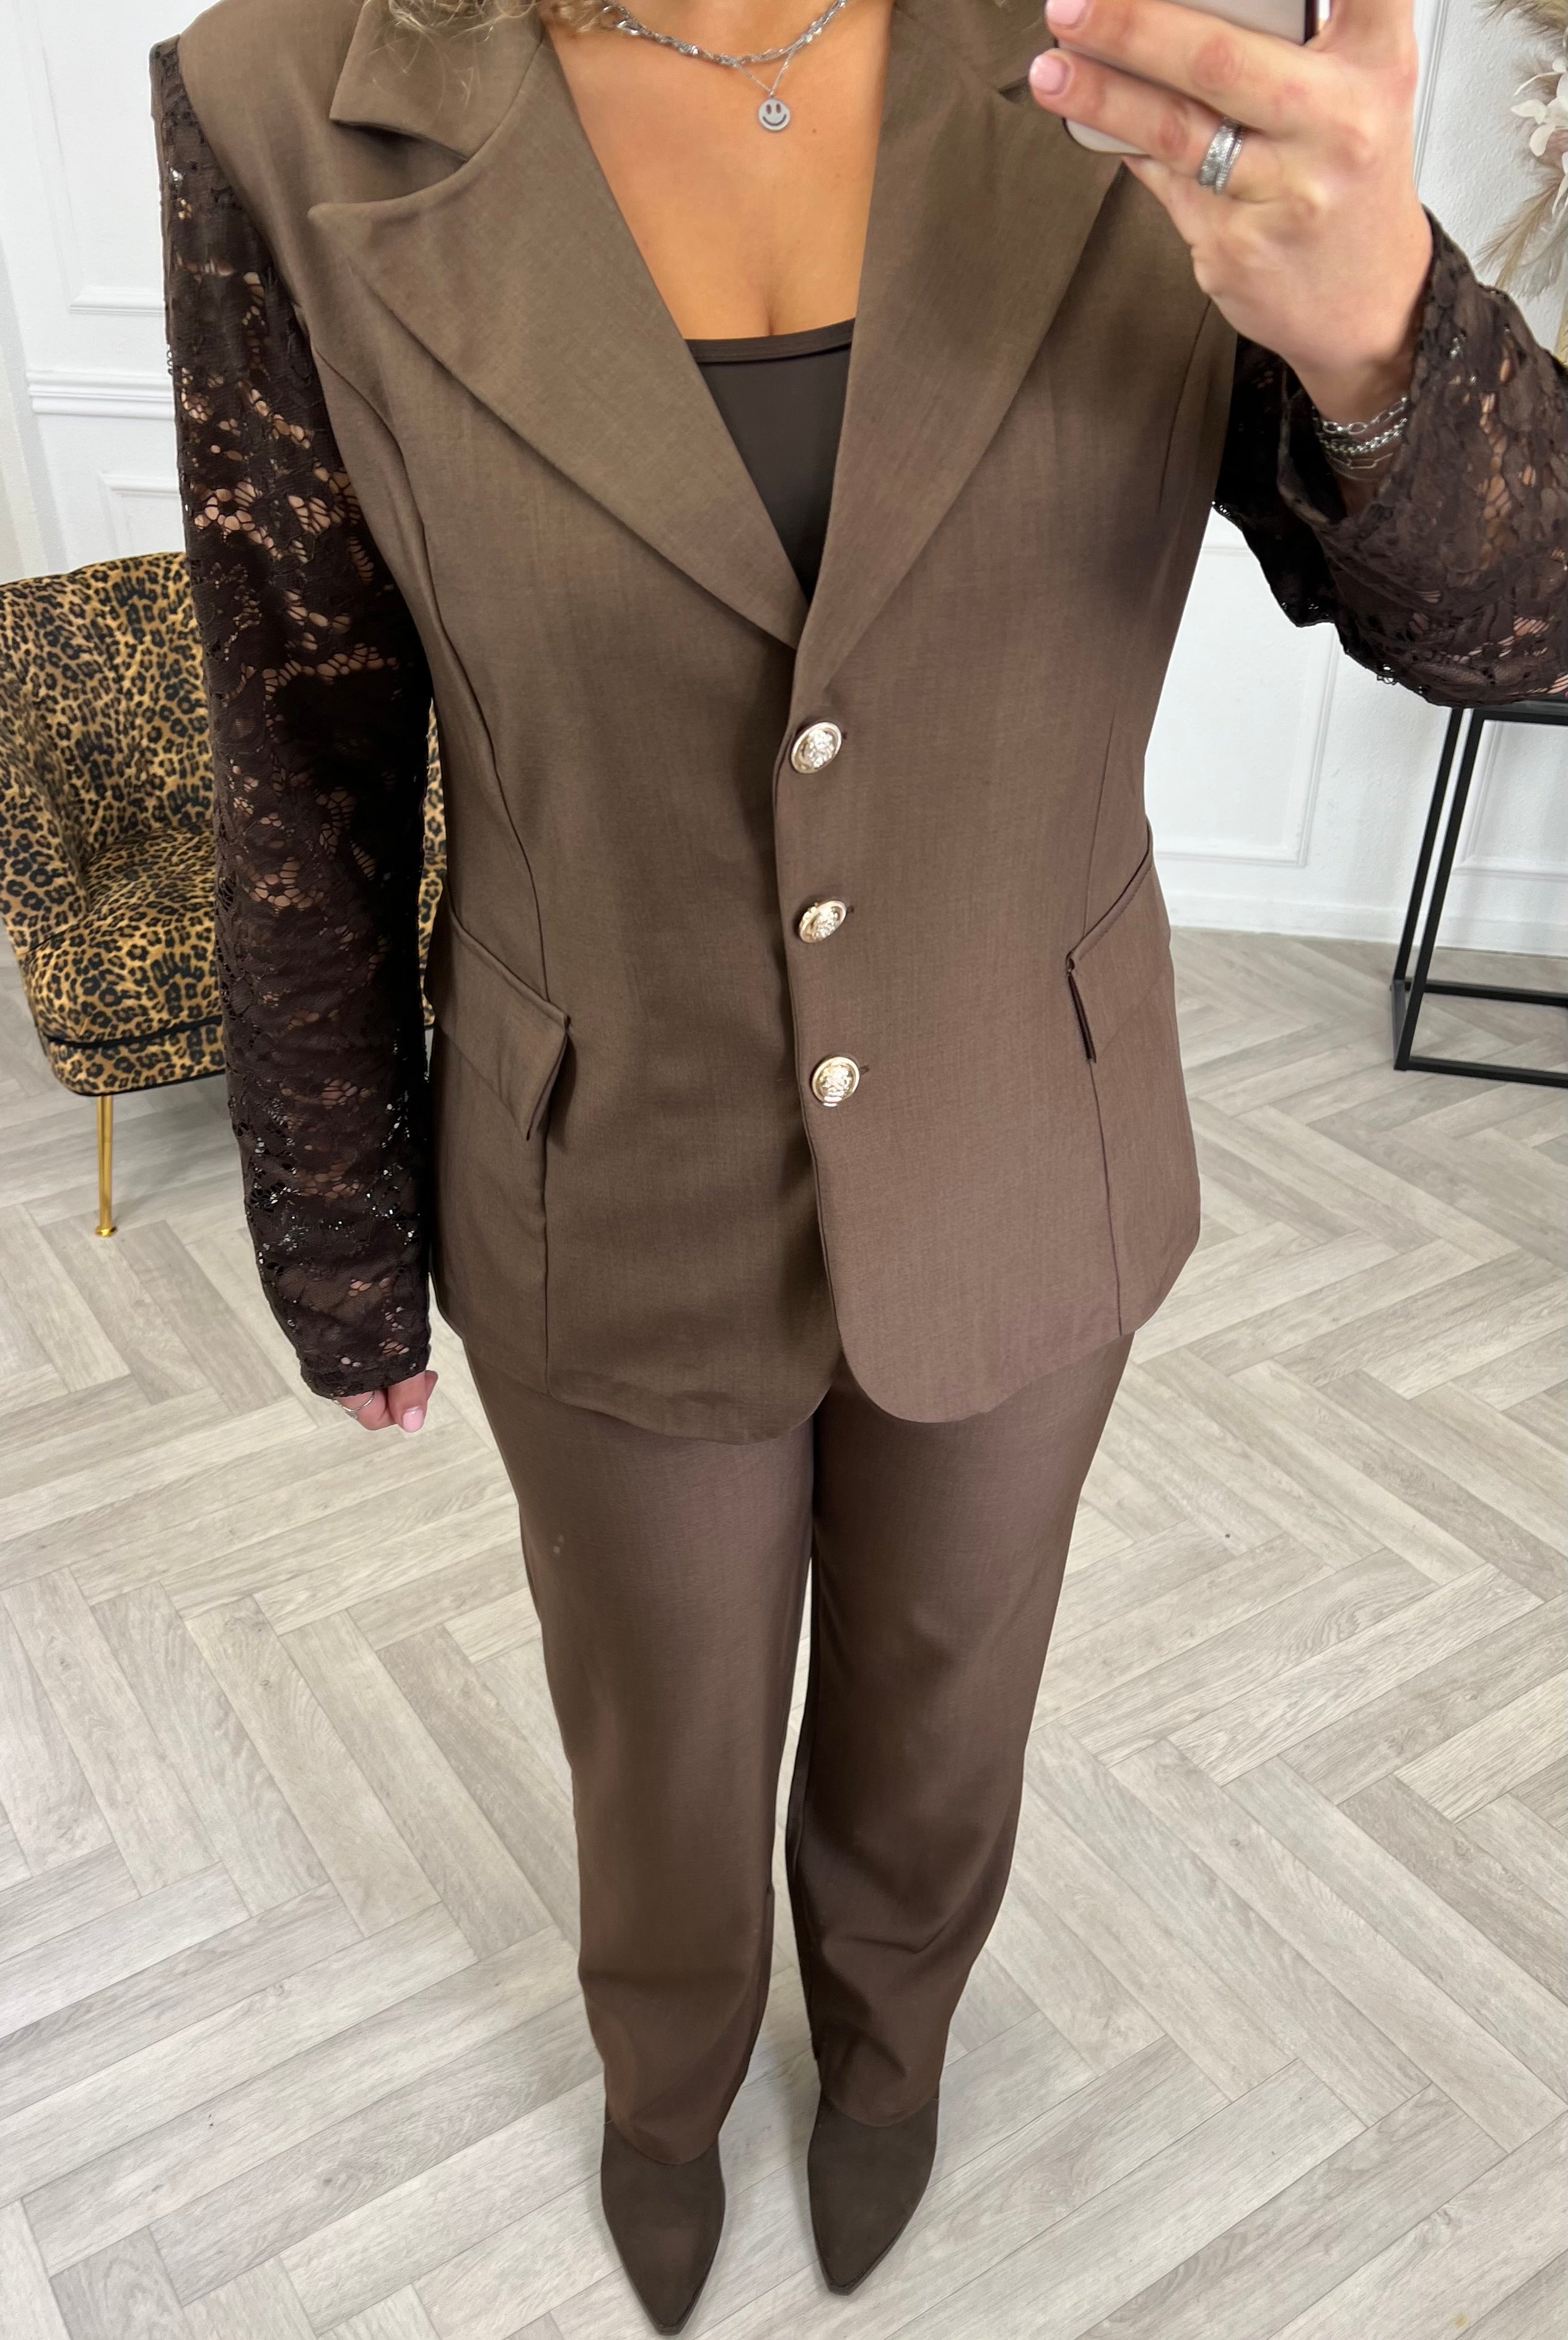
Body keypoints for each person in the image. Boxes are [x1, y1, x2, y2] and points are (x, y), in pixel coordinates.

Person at [152, 0, 1564, 2326]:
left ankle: (889, 2051)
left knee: (945, 1697)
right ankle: (666, 2090)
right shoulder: (278, 99)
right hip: (599, 1156)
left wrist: (1382, 344)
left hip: (1030, 1128)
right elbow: (298, 727)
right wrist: (335, 1211)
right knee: (661, 1734)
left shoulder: (1157, 33)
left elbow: (1523, 628)